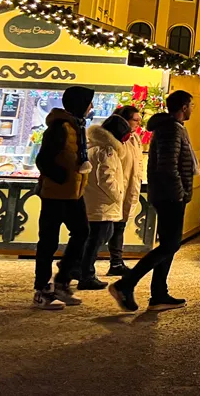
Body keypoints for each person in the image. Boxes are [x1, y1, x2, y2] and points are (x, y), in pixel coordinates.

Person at [109, 90, 196, 313]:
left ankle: (159, 293)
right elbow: (168, 165)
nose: (192, 109)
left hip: (168, 194)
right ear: (184, 107)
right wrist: (179, 193)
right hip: (170, 196)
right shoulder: (171, 129)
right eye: (191, 105)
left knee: (169, 244)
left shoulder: (171, 127)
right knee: (170, 245)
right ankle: (126, 284)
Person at [32, 86, 95, 310]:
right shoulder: (60, 128)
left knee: (82, 232)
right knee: (48, 242)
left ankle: (61, 282)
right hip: (55, 193)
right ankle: (42, 290)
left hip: (73, 192)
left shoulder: (77, 126)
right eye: (89, 102)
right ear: (80, 104)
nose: (91, 107)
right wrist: (63, 176)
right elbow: (43, 160)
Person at [76, 115, 133, 291]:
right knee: (98, 238)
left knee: (94, 238)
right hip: (103, 204)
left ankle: (77, 269)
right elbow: (106, 178)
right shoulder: (107, 151)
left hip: (93, 201)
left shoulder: (93, 147)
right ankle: (86, 275)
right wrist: (118, 195)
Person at [106, 106, 144, 276]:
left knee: (119, 227)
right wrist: (115, 190)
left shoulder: (135, 138)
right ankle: (80, 266)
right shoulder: (114, 140)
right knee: (102, 231)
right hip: (114, 191)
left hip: (128, 188)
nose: (138, 123)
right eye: (135, 120)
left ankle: (116, 262)